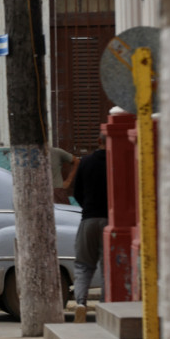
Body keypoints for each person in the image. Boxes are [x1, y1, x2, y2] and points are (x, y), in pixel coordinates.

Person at [72, 134, 108, 323]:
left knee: (83, 266)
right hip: (111, 222)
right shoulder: (116, 162)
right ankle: (104, 304)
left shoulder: (86, 162)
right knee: (107, 267)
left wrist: (87, 206)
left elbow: (76, 191)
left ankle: (80, 303)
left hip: (88, 219)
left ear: (98, 141)